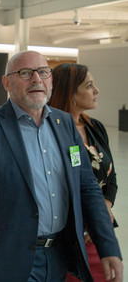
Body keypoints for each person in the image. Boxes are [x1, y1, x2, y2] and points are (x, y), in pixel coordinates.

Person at [0, 50, 123, 282]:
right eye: (25, 73)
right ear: (6, 82)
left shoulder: (65, 124)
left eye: (43, 72)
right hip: (8, 260)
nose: (36, 80)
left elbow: (88, 188)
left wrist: (108, 245)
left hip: (59, 256)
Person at [49, 63, 118, 282]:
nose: (96, 90)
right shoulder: (52, 132)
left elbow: (111, 175)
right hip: (71, 237)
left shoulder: (95, 127)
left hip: (97, 231)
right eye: (89, 86)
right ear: (69, 92)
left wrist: (105, 204)